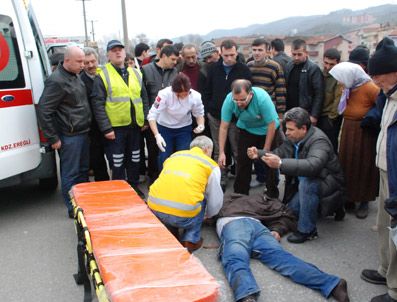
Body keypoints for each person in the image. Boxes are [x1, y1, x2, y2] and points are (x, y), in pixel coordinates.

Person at [217, 193, 350, 302]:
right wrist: (277, 230)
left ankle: (246, 295)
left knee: (235, 257)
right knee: (283, 259)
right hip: (258, 226)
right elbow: (287, 214)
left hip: (235, 224)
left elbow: (204, 212)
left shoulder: (223, 200)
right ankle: (332, 284)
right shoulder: (262, 201)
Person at [248, 107, 345, 243]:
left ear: (303, 128)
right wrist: (259, 154)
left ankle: (307, 230)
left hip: (328, 181)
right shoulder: (295, 137)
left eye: (291, 130)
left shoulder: (319, 141)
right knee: (290, 211)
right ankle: (277, 230)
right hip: (313, 179)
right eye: (286, 129)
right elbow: (280, 152)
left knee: (306, 183)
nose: (287, 133)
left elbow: (312, 166)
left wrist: (281, 163)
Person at [360, 37, 397, 302]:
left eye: (379, 76)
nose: (375, 82)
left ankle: (395, 291)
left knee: (395, 231)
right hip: (384, 170)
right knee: (384, 226)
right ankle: (386, 271)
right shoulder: (388, 96)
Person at [37, 46, 91, 218]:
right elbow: (44, 110)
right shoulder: (57, 80)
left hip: (82, 132)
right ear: (67, 60)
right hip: (69, 136)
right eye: (79, 61)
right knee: (71, 173)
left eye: (83, 61)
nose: (83, 65)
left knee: (82, 171)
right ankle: (72, 208)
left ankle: (82, 204)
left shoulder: (74, 75)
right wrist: (53, 137)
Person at [91, 40, 149, 199]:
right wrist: (106, 128)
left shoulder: (136, 73)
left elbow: (143, 98)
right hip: (115, 128)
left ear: (125, 52)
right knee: (117, 161)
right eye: (114, 50)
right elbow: (98, 104)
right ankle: (119, 190)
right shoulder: (102, 75)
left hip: (135, 126)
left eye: (120, 50)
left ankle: (134, 186)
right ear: (108, 54)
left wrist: (144, 119)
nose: (118, 53)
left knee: (135, 158)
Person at [147, 135, 223, 252]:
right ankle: (191, 239)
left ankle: (170, 231)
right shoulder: (211, 165)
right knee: (201, 196)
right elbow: (214, 198)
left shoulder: (174, 156)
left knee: (174, 188)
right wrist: (209, 215)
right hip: (183, 215)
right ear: (207, 149)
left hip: (155, 208)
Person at [329, 62, 380, 219]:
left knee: (364, 165)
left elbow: (381, 107)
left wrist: (369, 117)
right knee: (348, 163)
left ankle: (364, 200)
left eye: (341, 78)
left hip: (364, 132)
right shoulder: (349, 86)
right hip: (349, 130)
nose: (339, 82)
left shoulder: (370, 88)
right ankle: (350, 197)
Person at [203, 39, 252, 190]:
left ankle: (240, 177)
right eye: (226, 55)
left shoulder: (244, 70)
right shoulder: (212, 69)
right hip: (216, 115)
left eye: (232, 55)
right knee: (219, 148)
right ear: (220, 53)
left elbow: (249, 93)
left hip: (237, 117)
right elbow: (206, 91)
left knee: (238, 148)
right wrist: (209, 107)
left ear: (237, 53)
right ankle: (221, 177)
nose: (229, 58)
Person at [219, 79, 279, 196]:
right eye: (236, 100)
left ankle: (272, 193)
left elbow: (271, 125)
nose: (239, 103)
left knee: (268, 161)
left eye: (242, 99)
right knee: (242, 161)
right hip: (247, 129)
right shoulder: (229, 100)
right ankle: (240, 194)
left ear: (250, 94)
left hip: (267, 130)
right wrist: (222, 152)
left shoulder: (262, 99)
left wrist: (265, 150)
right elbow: (223, 127)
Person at [247, 38, 287, 189]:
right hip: (253, 116)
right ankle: (260, 177)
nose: (257, 53)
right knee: (256, 148)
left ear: (268, 51)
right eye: (254, 50)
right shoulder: (249, 66)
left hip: (270, 116)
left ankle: (273, 180)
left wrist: (280, 115)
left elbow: (281, 91)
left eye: (260, 50)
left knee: (270, 148)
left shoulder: (275, 67)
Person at [147, 73, 205, 170]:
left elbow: (199, 114)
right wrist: (157, 135)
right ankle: (163, 178)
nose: (182, 97)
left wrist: (201, 124)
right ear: (173, 91)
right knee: (164, 156)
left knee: (184, 156)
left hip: (184, 128)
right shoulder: (164, 94)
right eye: (179, 95)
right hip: (164, 127)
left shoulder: (196, 96)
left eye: (185, 94)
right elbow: (152, 115)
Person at [142, 45, 179, 183]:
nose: (175, 62)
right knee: (152, 150)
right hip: (152, 118)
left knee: (168, 150)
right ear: (163, 56)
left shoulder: (175, 72)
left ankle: (168, 178)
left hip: (169, 119)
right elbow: (143, 96)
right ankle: (153, 178)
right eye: (173, 59)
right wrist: (146, 118)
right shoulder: (146, 70)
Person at [80, 47, 109, 182]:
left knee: (115, 157)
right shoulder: (79, 81)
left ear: (98, 60)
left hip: (110, 123)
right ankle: (102, 186)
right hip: (92, 128)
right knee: (97, 160)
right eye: (86, 63)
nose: (90, 65)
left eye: (93, 61)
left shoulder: (106, 76)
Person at [285, 39, 324, 126]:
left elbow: (319, 94)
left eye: (299, 54)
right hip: (289, 111)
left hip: (305, 112)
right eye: (294, 54)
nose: (296, 57)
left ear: (306, 53)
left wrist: (314, 115)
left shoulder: (313, 69)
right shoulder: (288, 66)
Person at [317, 48, 343, 153]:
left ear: (338, 63)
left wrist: (331, 118)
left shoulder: (339, 78)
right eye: (326, 63)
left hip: (330, 119)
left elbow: (338, 100)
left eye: (331, 64)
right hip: (318, 116)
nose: (327, 67)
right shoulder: (319, 74)